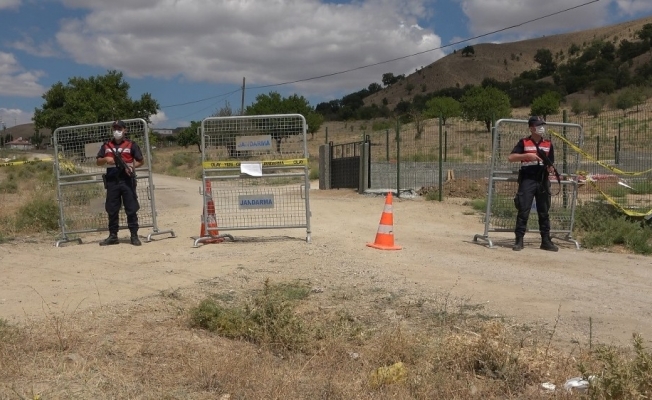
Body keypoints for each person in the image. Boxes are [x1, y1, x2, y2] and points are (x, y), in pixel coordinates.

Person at [507, 116, 559, 252]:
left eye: (542, 125)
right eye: (538, 125)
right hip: (527, 179)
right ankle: (519, 240)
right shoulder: (523, 142)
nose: (542, 127)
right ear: (531, 128)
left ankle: (546, 241)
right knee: (523, 210)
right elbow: (511, 158)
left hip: (543, 180)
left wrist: (551, 168)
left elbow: (551, 163)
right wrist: (527, 156)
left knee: (544, 212)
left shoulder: (548, 144)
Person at [96, 120, 144, 246]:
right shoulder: (106, 145)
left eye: (120, 128)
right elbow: (98, 161)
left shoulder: (131, 144)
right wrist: (106, 159)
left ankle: (134, 235)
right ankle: (113, 236)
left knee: (131, 208)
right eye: (115, 128)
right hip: (112, 181)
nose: (117, 131)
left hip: (127, 180)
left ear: (125, 130)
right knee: (112, 209)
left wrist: (132, 167)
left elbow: (140, 161)